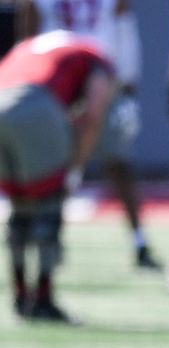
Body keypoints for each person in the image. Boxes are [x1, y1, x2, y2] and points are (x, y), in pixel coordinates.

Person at [17, 0, 162, 271]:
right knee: (47, 168)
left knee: (119, 162)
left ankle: (139, 240)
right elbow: (29, 37)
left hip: (100, 75)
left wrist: (128, 79)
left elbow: (123, 25)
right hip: (56, 81)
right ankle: (48, 237)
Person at [0, 31, 113, 321]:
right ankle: (43, 299)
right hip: (34, 105)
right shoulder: (94, 54)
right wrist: (75, 167)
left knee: (19, 206)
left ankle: (20, 296)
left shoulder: (28, 46)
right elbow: (93, 114)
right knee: (48, 206)